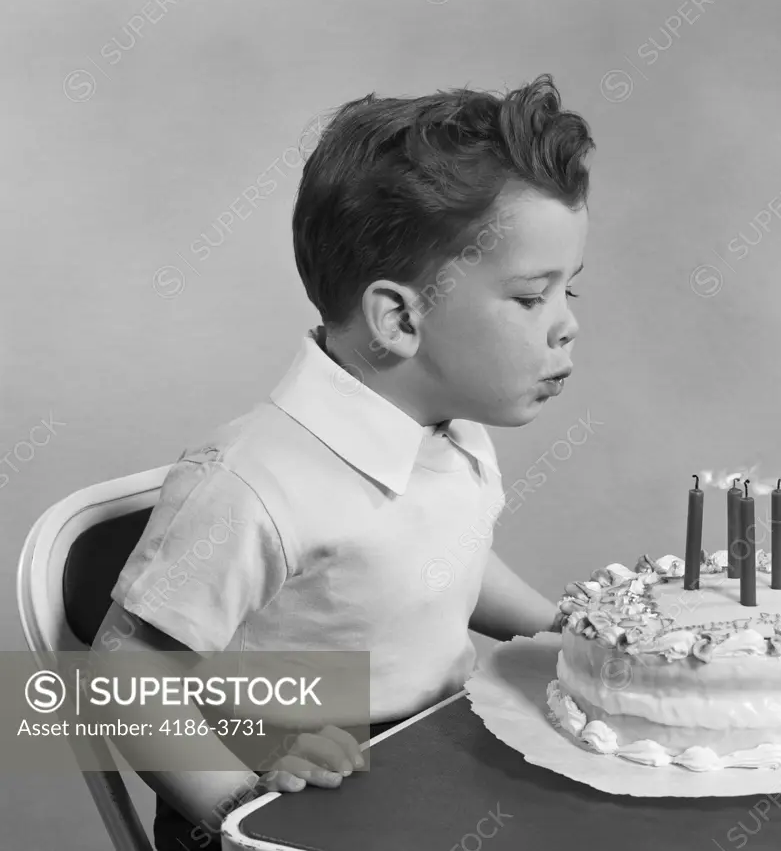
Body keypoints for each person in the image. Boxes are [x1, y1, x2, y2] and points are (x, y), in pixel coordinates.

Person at [90, 72, 594, 850]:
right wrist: (243, 802)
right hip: (286, 791)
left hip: (427, 753)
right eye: (532, 298)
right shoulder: (254, 484)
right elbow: (123, 675)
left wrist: (565, 627)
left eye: (572, 293)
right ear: (398, 318)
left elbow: (442, 554)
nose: (565, 328)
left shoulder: (446, 433)